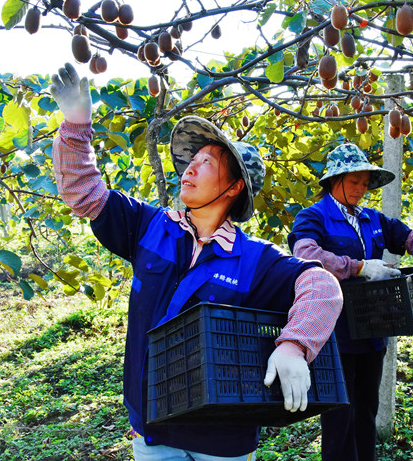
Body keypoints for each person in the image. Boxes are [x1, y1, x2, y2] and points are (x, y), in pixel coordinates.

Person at [50, 63, 343, 461]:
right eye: (192, 159)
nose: (190, 166)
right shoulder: (149, 227)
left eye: (207, 161)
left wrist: (294, 345)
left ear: (235, 186)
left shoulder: (256, 259)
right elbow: (84, 191)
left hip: (223, 443)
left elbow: (322, 286)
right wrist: (76, 127)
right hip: (152, 432)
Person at [287, 143, 413, 461]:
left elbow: (411, 236)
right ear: (334, 180)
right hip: (334, 333)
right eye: (354, 181)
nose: (360, 189)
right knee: (339, 415)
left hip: (373, 329)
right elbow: (305, 255)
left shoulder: (372, 218)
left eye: (365, 183)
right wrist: (357, 267)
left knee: (366, 411)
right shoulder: (314, 217)